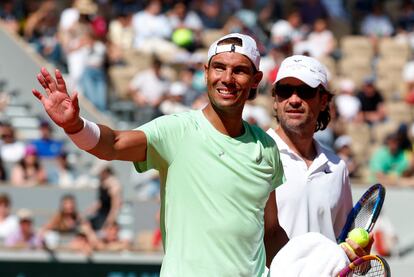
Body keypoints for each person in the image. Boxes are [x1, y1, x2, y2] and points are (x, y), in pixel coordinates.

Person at [33, 32, 288, 276]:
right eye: (219, 67)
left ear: (256, 80)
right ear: (206, 72)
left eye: (239, 70)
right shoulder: (177, 129)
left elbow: (271, 231)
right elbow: (114, 144)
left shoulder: (266, 146)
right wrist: (75, 126)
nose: (227, 78)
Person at [266, 54, 372, 260]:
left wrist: (357, 258)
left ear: (323, 101)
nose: (294, 100)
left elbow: (343, 243)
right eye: (285, 91)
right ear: (275, 100)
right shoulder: (255, 156)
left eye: (305, 92)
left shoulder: (337, 167)